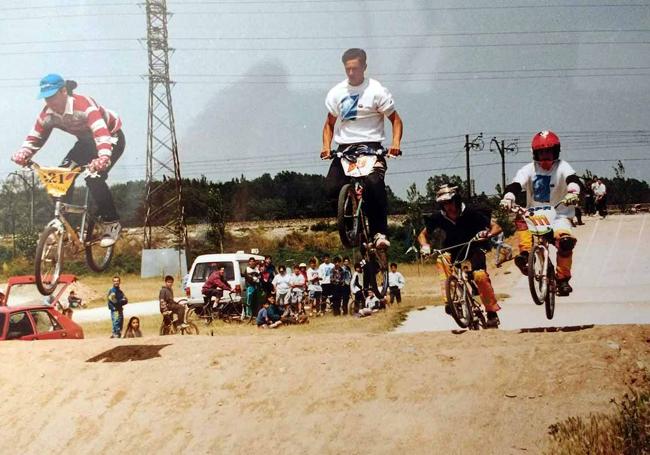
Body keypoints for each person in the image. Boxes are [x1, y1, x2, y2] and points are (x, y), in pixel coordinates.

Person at [12, 74, 125, 247]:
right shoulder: (47, 114)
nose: (49, 102)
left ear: (64, 91)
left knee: (93, 179)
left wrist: (103, 157)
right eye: (46, 98)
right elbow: (35, 137)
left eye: (52, 96)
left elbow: (101, 133)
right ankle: (64, 228)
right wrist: (23, 153)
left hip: (111, 138)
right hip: (86, 143)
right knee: (61, 176)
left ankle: (112, 222)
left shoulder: (84, 105)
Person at [321, 48, 403, 250]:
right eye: (347, 69)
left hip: (372, 148)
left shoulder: (377, 91)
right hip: (345, 149)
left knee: (374, 184)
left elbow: (396, 121)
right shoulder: (337, 93)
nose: (351, 73)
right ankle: (350, 228)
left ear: (364, 67)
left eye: (355, 68)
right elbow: (329, 124)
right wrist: (326, 147)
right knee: (331, 187)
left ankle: (379, 232)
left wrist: (395, 145)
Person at [500, 130, 582, 297]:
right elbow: (516, 184)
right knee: (521, 220)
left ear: (556, 152)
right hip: (535, 214)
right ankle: (525, 258)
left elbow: (572, 179)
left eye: (549, 152)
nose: (546, 156)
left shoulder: (563, 166)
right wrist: (508, 197)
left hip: (559, 215)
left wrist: (573, 192)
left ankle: (562, 278)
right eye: (542, 152)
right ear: (535, 153)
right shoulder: (528, 169)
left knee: (565, 242)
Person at [418, 184, 503, 328]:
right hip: (453, 248)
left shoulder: (470, 212)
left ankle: (491, 311)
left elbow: (497, 227)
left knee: (480, 276)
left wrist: (487, 235)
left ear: (456, 200)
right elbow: (422, 235)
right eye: (444, 204)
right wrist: (425, 246)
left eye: (450, 202)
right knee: (441, 260)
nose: (447, 206)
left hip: (474, 246)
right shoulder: (439, 217)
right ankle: (450, 302)